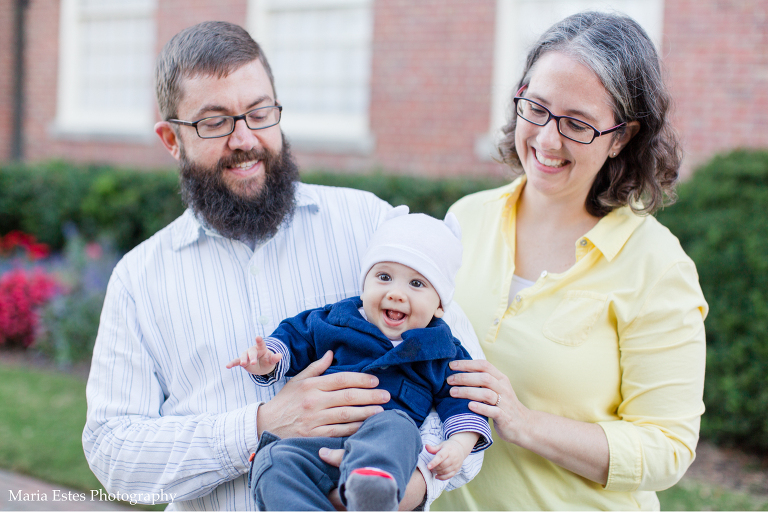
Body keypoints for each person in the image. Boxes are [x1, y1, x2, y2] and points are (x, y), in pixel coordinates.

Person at [82, 21, 484, 511]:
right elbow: (112, 454)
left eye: (259, 112)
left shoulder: (374, 228)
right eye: (214, 121)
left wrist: (402, 488)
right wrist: (258, 425)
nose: (244, 138)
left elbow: (466, 381)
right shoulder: (138, 280)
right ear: (171, 139)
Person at [433, 11, 708, 511]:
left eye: (577, 124)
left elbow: (668, 449)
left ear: (622, 136)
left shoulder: (657, 266)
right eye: (535, 108)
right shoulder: (464, 221)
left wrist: (523, 422)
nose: (546, 139)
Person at [227, 208, 492, 510]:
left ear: (440, 306)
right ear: (364, 286)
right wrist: (270, 359)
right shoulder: (337, 320)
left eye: (416, 284)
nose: (396, 293)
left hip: (386, 452)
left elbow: (463, 398)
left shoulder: (442, 349)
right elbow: (297, 335)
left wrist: (459, 444)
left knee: (397, 426)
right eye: (383, 277)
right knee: (272, 459)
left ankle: (373, 489)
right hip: (321, 443)